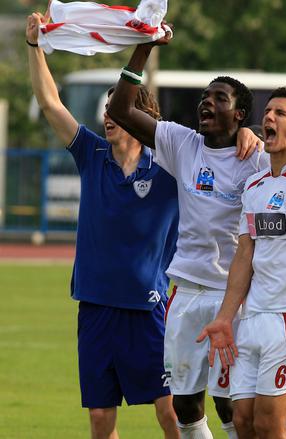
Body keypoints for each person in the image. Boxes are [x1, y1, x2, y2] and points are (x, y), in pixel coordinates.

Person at [108, 39, 286, 438]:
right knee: (184, 404)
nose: (206, 103)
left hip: (241, 298)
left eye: (219, 98)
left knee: (241, 408)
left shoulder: (260, 158)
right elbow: (121, 110)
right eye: (204, 97)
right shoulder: (181, 143)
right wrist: (143, 49)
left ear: (239, 114)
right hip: (188, 290)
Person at [27, 11, 180, 439]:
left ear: (139, 116)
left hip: (149, 309)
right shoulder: (91, 155)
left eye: (116, 108)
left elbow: (223, 153)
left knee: (171, 413)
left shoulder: (171, 167)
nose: (108, 116)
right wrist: (34, 47)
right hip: (96, 306)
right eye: (106, 110)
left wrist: (250, 137)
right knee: (100, 420)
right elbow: (49, 103)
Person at [197, 87, 286, 439]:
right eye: (268, 112)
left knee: (270, 424)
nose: (269, 118)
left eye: (281, 113)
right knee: (241, 421)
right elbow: (244, 256)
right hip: (254, 317)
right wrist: (225, 318)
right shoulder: (255, 185)